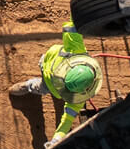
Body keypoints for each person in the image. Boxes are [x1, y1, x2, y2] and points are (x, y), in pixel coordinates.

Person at [10, 11, 100, 142]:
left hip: (49, 72)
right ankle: (26, 86)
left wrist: (57, 137)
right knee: (40, 86)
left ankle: (27, 87)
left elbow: (68, 118)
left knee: (43, 88)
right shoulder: (76, 50)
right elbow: (73, 25)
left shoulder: (76, 51)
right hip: (46, 70)